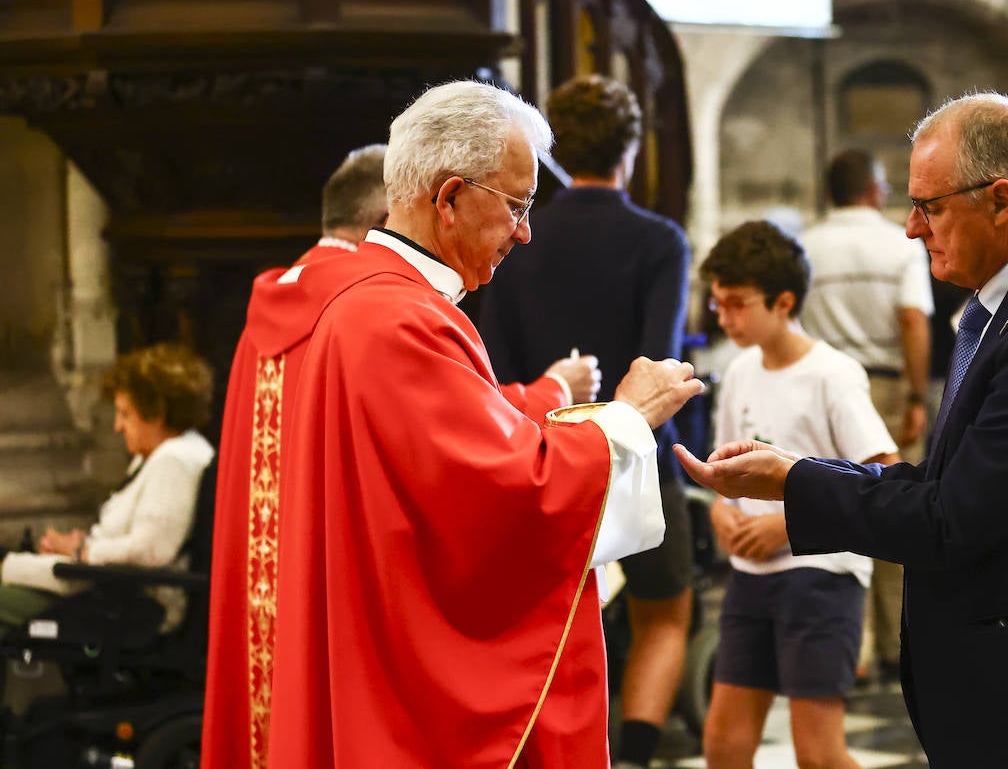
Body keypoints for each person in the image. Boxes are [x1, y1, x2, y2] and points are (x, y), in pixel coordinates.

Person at [676, 92, 1008, 768]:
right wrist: (799, 474)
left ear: (1002, 200)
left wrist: (795, 482)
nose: (913, 229)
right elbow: (946, 483)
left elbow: (952, 519)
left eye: (931, 206)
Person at [260, 80, 702, 769]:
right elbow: (504, 494)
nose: (526, 232)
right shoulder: (399, 321)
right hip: (410, 694)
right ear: (449, 198)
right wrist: (629, 415)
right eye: (517, 207)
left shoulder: (376, 305)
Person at [477, 74, 693, 769]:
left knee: (555, 616)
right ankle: (634, 754)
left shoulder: (520, 234)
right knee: (663, 612)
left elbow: (495, 362)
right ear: (630, 150)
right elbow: (658, 362)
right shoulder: (658, 239)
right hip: (639, 449)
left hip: (541, 451)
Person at [696, 220, 897, 768]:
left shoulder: (833, 374)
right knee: (724, 742)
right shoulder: (738, 372)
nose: (726, 318)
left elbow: (882, 474)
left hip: (823, 576)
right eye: (718, 305)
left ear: (783, 302)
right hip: (752, 578)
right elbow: (727, 477)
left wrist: (788, 526)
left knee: (818, 753)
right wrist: (722, 513)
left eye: (737, 304)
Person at [798, 148, 932, 685]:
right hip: (885, 383)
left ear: (830, 192)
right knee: (897, 510)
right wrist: (919, 395)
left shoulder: (806, 244)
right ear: (875, 191)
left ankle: (851, 649)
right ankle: (900, 644)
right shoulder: (897, 242)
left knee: (837, 512)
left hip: (824, 385)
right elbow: (913, 321)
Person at [0, 343, 214, 628]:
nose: (117, 426)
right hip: (106, 591)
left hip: (124, 606)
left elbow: (149, 552)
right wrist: (81, 546)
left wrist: (81, 552)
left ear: (157, 412)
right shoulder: (160, 455)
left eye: (125, 414)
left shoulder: (174, 460)